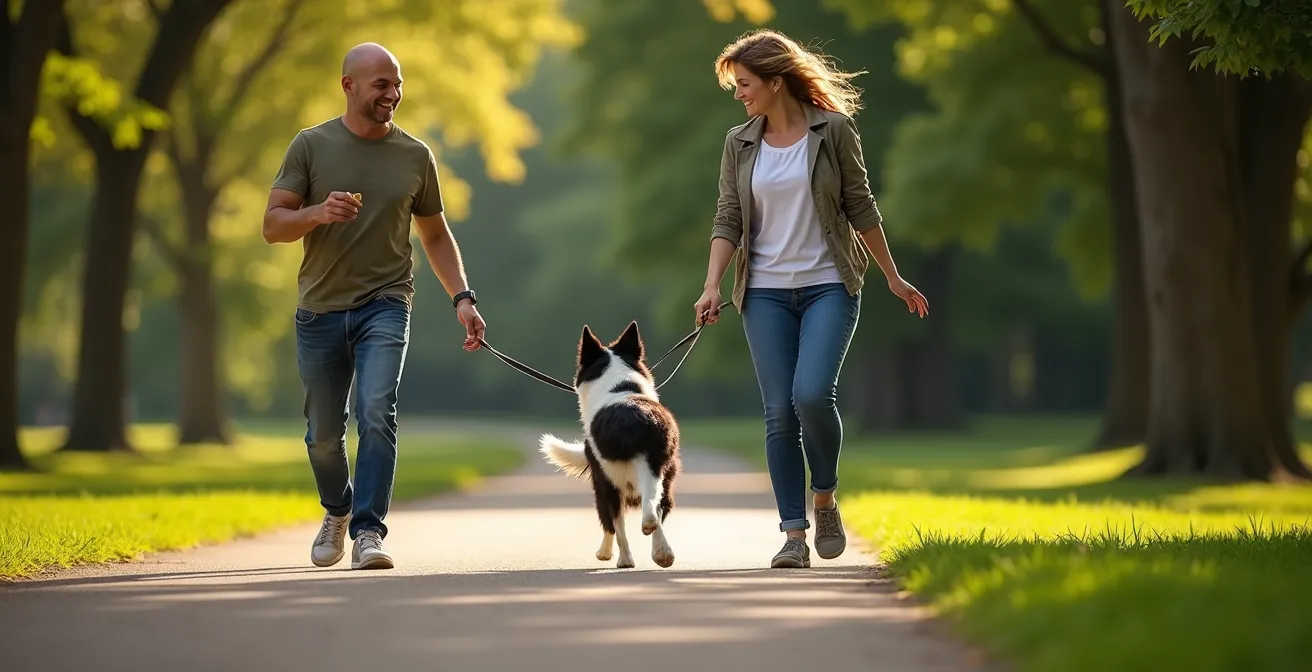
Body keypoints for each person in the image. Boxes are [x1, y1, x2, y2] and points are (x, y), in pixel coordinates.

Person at [693, 29, 929, 569]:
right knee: (779, 412)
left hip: (829, 283)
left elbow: (860, 205)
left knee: (813, 394)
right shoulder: (739, 142)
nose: (739, 94)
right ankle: (794, 535)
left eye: (745, 83)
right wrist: (711, 283)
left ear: (777, 82)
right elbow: (728, 214)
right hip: (763, 292)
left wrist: (892, 275)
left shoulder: (835, 131)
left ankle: (824, 498)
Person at [262, 42, 487, 571]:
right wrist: (316, 213)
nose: (393, 93)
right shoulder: (311, 146)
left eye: (398, 83)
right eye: (382, 84)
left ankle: (368, 530)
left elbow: (434, 235)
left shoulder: (415, 156)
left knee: (376, 412)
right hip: (319, 308)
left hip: (386, 303)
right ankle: (337, 512)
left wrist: (462, 297)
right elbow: (273, 225)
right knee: (322, 435)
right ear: (349, 86)